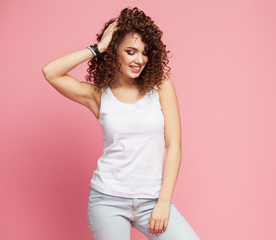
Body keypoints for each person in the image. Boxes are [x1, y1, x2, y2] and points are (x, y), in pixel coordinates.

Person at [42, 6, 200, 240]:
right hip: (108, 201)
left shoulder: (161, 86)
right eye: (131, 51)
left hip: (151, 201)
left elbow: (174, 145)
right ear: (115, 52)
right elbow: (50, 72)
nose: (139, 59)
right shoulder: (98, 96)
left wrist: (163, 202)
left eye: (145, 53)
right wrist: (98, 48)